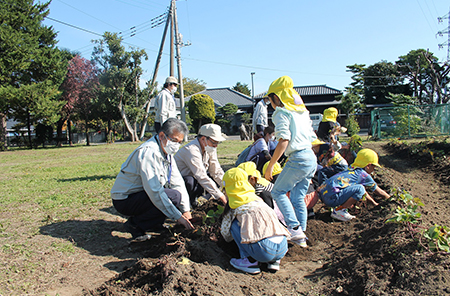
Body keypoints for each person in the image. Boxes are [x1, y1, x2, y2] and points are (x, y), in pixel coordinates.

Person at [111, 118, 193, 241]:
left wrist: (186, 210)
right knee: (172, 196)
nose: (176, 146)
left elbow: (178, 181)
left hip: (141, 194)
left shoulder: (166, 152)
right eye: (174, 140)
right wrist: (177, 217)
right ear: (161, 135)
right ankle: (135, 225)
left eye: (180, 142)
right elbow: (154, 191)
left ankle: (154, 224)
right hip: (125, 199)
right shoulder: (148, 152)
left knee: (174, 195)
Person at [263, 76, 317, 247]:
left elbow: (284, 140)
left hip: (299, 158)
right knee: (297, 197)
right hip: (310, 157)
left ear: (276, 97)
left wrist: (271, 165)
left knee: (278, 192)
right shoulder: (302, 112)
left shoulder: (281, 112)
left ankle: (294, 230)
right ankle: (302, 235)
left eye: (270, 98)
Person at [221, 167, 291, 274]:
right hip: (282, 248)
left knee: (234, 224)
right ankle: (274, 262)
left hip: (264, 251)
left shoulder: (236, 207)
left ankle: (249, 261)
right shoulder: (259, 200)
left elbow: (226, 234)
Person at [317, 148, 391, 222]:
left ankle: (338, 209)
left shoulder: (351, 169)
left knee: (359, 189)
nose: (373, 170)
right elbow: (379, 192)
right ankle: (340, 211)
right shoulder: (363, 175)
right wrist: (391, 199)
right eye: (373, 167)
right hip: (332, 199)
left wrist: (374, 203)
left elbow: (363, 192)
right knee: (360, 189)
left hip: (323, 194)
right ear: (368, 166)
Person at [174, 123, 227, 206]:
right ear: (203, 139)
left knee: (213, 178)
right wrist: (221, 196)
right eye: (214, 142)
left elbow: (216, 171)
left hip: (197, 180)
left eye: (218, 143)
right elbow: (201, 175)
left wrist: (227, 187)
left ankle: (200, 200)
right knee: (190, 181)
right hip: (181, 183)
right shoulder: (191, 150)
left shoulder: (210, 148)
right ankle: (187, 203)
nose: (216, 146)